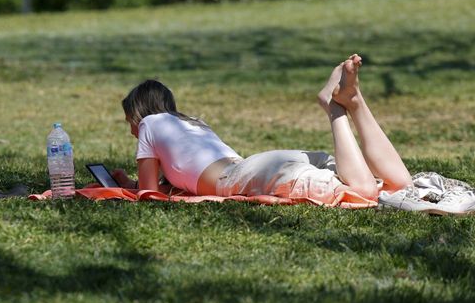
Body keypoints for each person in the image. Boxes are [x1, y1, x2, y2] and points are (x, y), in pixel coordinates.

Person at [111, 54, 412, 204]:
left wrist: (129, 185)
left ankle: (334, 108)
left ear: (138, 115)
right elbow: (176, 179)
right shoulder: (191, 124)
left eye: (129, 124)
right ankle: (356, 103)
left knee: (364, 192)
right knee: (399, 183)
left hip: (249, 176)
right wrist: (130, 179)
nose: (131, 132)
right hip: (264, 164)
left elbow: (149, 193)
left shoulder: (150, 124)